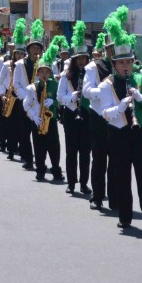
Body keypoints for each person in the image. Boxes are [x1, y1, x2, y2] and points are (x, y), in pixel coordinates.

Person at [90, 11, 142, 231]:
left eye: (129, 61)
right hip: (118, 134)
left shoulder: (140, 79)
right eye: (122, 63)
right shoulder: (106, 84)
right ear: (114, 64)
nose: (126, 66)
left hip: (140, 134)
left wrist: (141, 98)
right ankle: (126, 217)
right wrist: (119, 108)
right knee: (122, 176)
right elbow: (103, 113)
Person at [83, 30, 116, 211]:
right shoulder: (93, 67)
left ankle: (115, 196)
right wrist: (103, 90)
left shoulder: (125, 66)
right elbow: (87, 92)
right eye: (111, 48)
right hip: (98, 116)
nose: (114, 52)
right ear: (106, 49)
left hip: (118, 119)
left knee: (117, 160)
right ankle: (97, 195)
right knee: (99, 158)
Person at [57, 21, 91, 195]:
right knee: (71, 152)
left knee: (85, 153)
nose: (82, 61)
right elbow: (59, 97)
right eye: (79, 58)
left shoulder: (91, 75)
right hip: (71, 115)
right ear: (74, 59)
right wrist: (72, 97)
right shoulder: (65, 76)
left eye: (84, 58)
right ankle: (71, 182)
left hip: (86, 115)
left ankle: (84, 183)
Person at [23, 42, 63, 182]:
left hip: (50, 120)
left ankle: (56, 171)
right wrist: (34, 116)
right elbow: (26, 104)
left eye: (47, 71)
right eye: (42, 72)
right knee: (39, 149)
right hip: (37, 121)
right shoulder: (31, 87)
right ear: (38, 73)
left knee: (54, 148)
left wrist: (54, 101)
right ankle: (40, 171)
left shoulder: (55, 85)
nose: (44, 74)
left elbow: (61, 99)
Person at [11, 19, 45, 171]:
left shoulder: (43, 63)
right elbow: (16, 84)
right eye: (34, 47)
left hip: (40, 102)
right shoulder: (19, 64)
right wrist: (26, 96)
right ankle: (28, 159)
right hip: (24, 101)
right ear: (29, 49)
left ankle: (40, 161)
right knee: (24, 133)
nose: (36, 50)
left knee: (39, 133)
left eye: (38, 47)